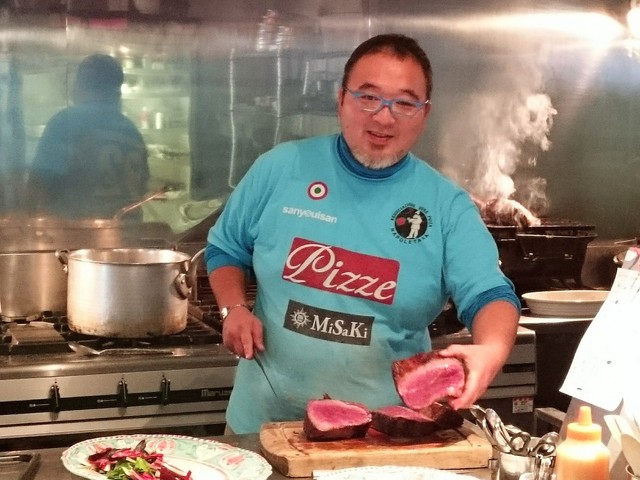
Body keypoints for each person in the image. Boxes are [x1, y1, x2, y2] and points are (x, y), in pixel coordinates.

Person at [205, 33, 521, 434]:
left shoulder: (446, 206)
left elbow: (490, 294)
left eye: (404, 103)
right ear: (341, 99)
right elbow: (226, 248)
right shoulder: (281, 168)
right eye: (368, 97)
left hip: (383, 435)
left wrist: (492, 350)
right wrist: (233, 308)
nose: (384, 118)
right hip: (261, 424)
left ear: (424, 113)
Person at [27, 53, 149, 219]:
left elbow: (37, 185)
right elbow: (141, 190)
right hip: (125, 231)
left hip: (76, 231)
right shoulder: (132, 132)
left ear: (80, 83)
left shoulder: (65, 122)